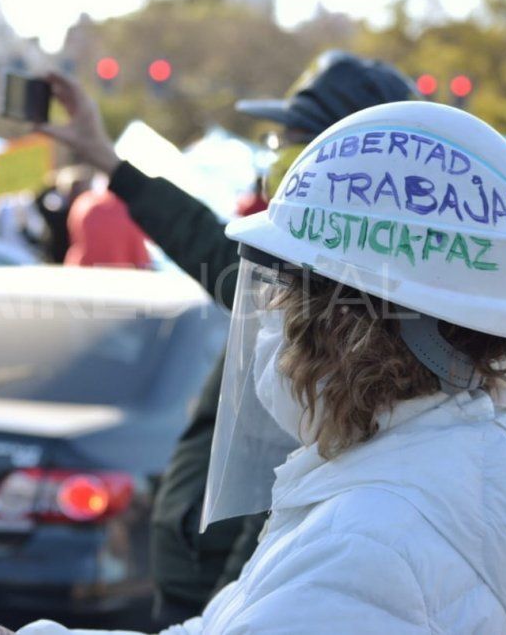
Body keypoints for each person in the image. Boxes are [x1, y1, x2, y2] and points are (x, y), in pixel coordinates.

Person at [0, 101, 506, 635]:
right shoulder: (457, 469)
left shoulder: (377, 543)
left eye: (286, 296)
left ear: (356, 331)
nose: (266, 323)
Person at [40, 51, 422, 625]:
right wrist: (108, 160)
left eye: (291, 140)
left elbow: (287, 495)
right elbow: (205, 241)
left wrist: (224, 608)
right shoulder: (301, 279)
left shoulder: (349, 318)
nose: (274, 159)